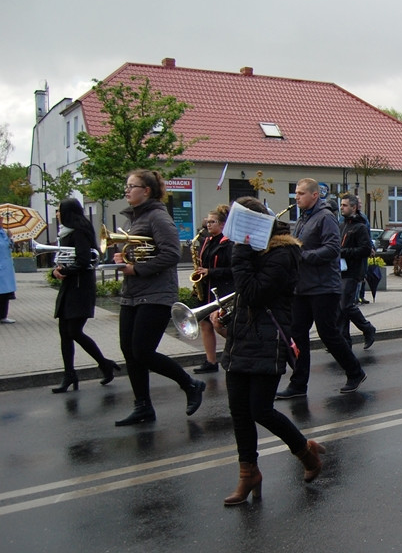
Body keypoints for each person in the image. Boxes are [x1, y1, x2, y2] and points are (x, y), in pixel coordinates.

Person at [213, 197, 326, 505]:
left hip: (268, 340)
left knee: (260, 409)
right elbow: (245, 296)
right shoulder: (254, 250)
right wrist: (225, 320)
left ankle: (306, 452)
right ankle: (248, 473)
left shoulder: (284, 253)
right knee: (239, 411)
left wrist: (241, 250)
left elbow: (252, 292)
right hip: (242, 337)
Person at [113, 170, 206, 427]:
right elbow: (139, 252)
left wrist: (137, 268)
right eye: (127, 185)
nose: (127, 190)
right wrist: (123, 259)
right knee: (129, 352)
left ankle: (190, 384)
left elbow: (172, 254)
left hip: (156, 295)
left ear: (147, 191)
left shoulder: (158, 217)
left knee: (142, 351)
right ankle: (142, 406)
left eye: (132, 186)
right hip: (132, 294)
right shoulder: (134, 219)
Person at [276, 178, 366, 398]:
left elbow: (332, 249)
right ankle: (298, 384)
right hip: (303, 286)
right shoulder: (303, 218)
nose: (296, 197)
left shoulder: (325, 217)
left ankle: (355, 372)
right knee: (297, 333)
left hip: (324, 287)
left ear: (314, 195)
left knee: (328, 334)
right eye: (296, 193)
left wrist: (302, 256)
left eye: (301, 193)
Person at [50, 198, 120, 393]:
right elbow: (63, 259)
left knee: (74, 331)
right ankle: (70, 374)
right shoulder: (66, 232)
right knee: (65, 332)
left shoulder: (79, 231)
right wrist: (56, 271)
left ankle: (104, 364)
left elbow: (82, 260)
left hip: (80, 288)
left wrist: (64, 271)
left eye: (59, 210)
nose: (57, 214)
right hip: (70, 287)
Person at [192, 205, 234, 374]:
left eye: (212, 222)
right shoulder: (207, 241)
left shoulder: (229, 243)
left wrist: (211, 272)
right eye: (207, 222)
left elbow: (233, 269)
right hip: (208, 288)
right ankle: (211, 361)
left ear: (223, 224)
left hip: (223, 289)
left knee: (219, 324)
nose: (208, 225)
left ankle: (238, 347)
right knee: (205, 323)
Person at [336, 194, 376, 349]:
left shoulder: (360, 226)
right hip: (340, 270)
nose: (342, 208)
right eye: (341, 205)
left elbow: (366, 249)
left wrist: (344, 252)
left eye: (345, 205)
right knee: (340, 307)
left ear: (354, 207)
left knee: (346, 305)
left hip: (353, 271)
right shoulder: (341, 225)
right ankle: (344, 341)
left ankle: (367, 328)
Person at [0, 227, 15, 324]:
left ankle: (3, 316)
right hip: (1, 266)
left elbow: (9, 248)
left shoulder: (3, 233)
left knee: (5, 294)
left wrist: (10, 238)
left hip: (6, 267)